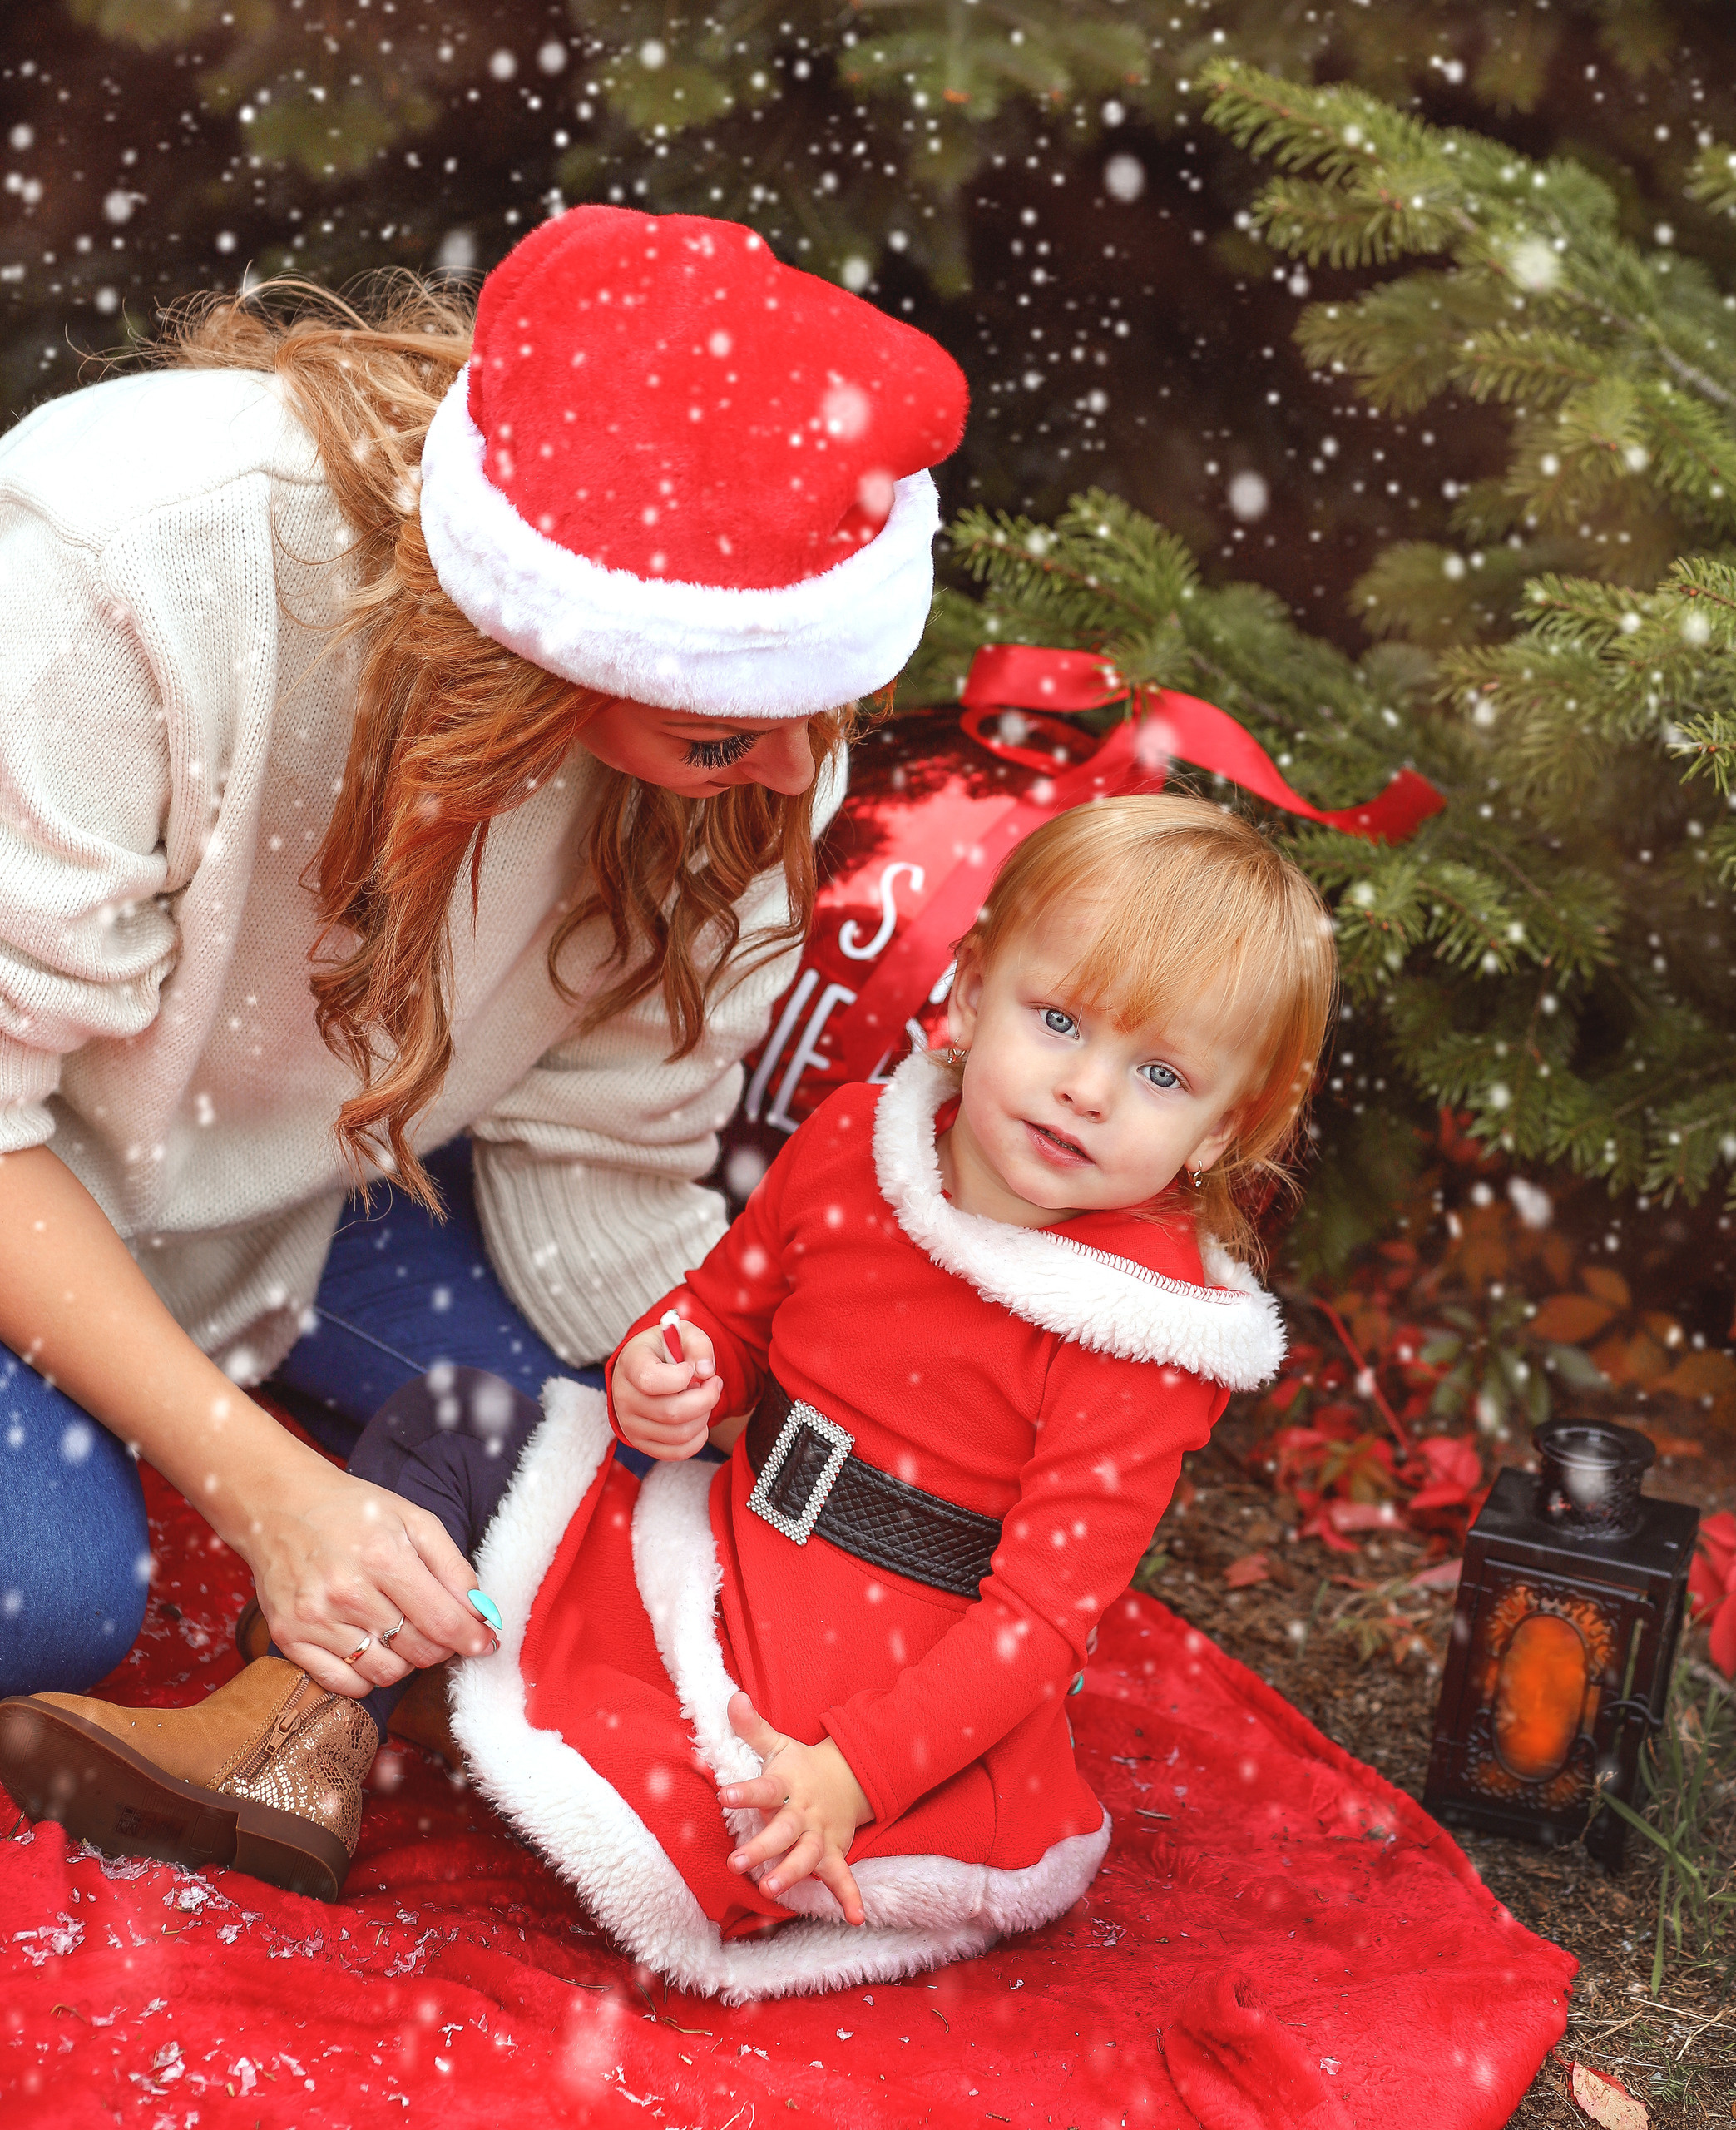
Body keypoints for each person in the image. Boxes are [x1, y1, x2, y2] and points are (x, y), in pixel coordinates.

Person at [2, 793, 1337, 1995]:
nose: (1087, 1090)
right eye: (1060, 1021)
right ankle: (292, 1734)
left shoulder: (1136, 1339)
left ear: (1223, 1128)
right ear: (973, 993)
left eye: (1161, 1076)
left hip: (866, 1669)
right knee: (464, 1419)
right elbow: (729, 1317)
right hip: (730, 1540)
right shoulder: (858, 1149)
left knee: (729, 1813)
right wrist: (673, 1372)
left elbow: (1040, 1624)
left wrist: (856, 1770)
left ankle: (548, 1743)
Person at [0, 200, 968, 1750]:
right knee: (49, 1596)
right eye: (724, 733)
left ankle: (279, 1726)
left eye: (826, 705)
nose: (797, 775)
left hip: (283, 1208)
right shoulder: (131, 557)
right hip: (24, 1168)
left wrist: (725, 1394)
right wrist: (265, 1487)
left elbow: (606, 1141)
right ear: (525, 655)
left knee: (585, 1491)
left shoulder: (771, 698)